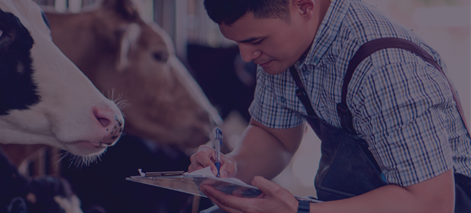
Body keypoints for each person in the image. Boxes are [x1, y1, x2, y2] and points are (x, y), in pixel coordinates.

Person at [188, 0, 471, 212]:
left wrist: (300, 209)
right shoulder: (282, 50)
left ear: (304, 7)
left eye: (256, 41)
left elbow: (432, 203)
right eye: (238, 42)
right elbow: (276, 137)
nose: (247, 56)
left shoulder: (384, 68)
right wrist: (232, 168)